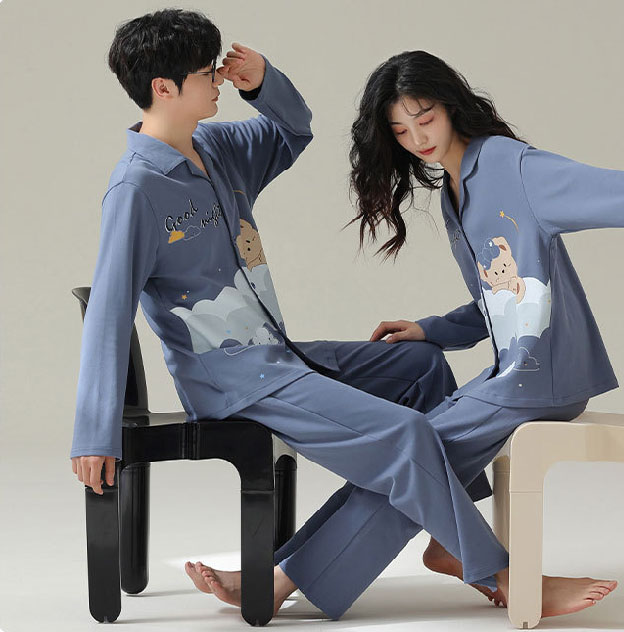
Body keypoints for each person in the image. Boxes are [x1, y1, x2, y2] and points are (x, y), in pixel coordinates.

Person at [192, 50, 624, 621]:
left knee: (405, 459)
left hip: (543, 377)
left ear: (451, 105)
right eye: (400, 130)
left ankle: (282, 579)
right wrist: (430, 329)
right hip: (512, 377)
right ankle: (411, 550)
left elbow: (579, 182)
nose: (417, 139)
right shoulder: (454, 191)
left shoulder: (505, 162)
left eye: (425, 118)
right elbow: (497, 300)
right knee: (403, 460)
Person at [70, 10, 508, 623]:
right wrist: (94, 434)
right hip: (232, 382)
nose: (218, 79)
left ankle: (444, 533)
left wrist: (262, 82)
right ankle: (495, 568)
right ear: (164, 88)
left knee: (420, 365)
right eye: (206, 72)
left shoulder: (216, 149)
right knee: (406, 435)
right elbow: (110, 310)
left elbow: (293, 130)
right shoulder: (136, 190)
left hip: (277, 356)